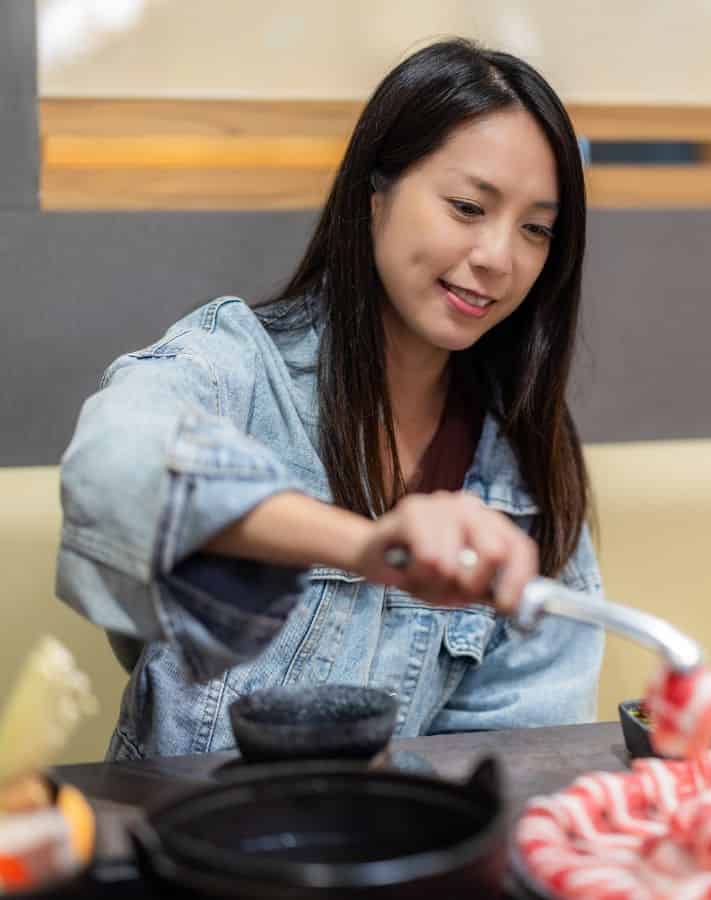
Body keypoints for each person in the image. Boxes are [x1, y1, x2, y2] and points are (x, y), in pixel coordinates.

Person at [54, 38, 604, 760]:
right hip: (190, 842)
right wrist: (367, 546)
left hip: (392, 854)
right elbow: (111, 467)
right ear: (376, 197)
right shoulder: (240, 367)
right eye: (468, 206)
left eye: (536, 229)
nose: (500, 257)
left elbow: (521, 753)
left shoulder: (524, 460)